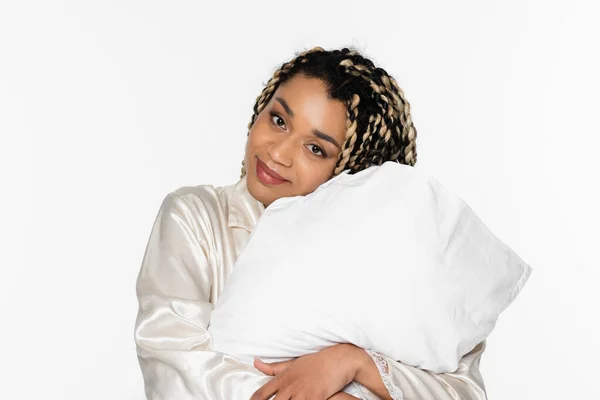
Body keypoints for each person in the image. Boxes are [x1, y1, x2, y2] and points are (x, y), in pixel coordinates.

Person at [134, 46, 487, 400]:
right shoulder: (197, 218)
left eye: (315, 148)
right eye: (279, 120)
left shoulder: (393, 259)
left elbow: (463, 391)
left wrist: (353, 362)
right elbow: (174, 368)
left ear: (354, 171)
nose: (277, 153)